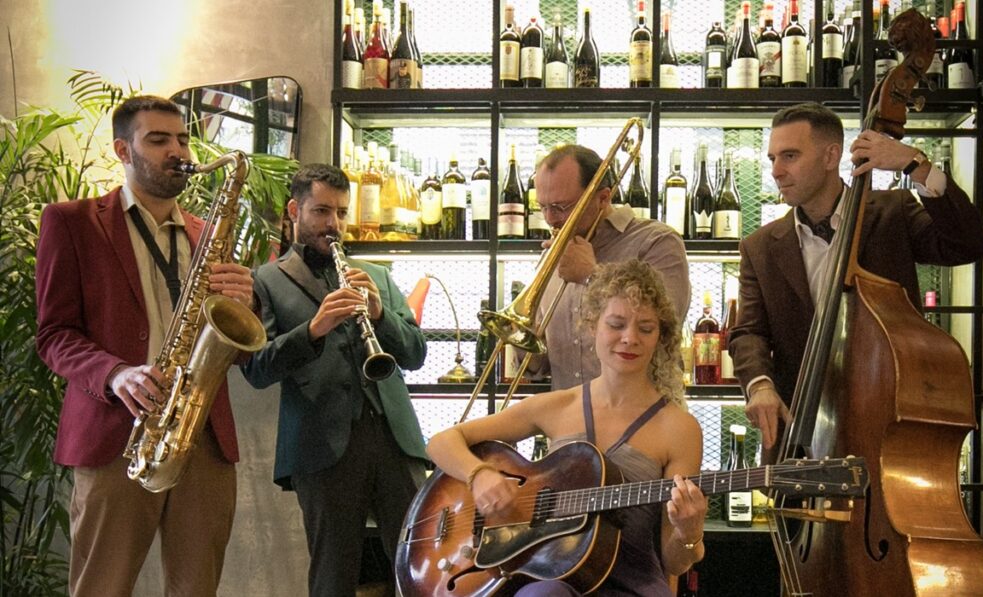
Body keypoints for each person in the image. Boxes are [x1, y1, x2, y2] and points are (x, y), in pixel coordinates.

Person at [35, 95, 255, 596]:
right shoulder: (72, 221)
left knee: (197, 588)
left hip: (201, 434)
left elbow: (241, 349)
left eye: (182, 139)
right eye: (158, 140)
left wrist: (245, 301)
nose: (177, 151)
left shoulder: (207, 233)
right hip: (116, 433)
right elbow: (54, 335)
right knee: (102, 587)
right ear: (123, 150)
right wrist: (117, 374)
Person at [428, 259, 707, 597]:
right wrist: (479, 475)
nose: (630, 338)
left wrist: (688, 533)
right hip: (545, 578)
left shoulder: (680, 428)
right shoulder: (556, 406)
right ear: (592, 326)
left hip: (632, 587)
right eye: (616, 324)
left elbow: (675, 562)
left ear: (660, 336)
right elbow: (442, 442)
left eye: (646, 328)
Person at [730, 102, 983, 456]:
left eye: (790, 156)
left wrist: (917, 166)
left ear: (830, 156)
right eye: (773, 158)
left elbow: (968, 245)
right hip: (799, 433)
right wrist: (760, 385)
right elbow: (748, 332)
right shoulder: (759, 246)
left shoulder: (894, 212)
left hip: (888, 427)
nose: (776, 171)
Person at [240, 163, 429, 597]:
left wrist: (380, 314)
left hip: (394, 438)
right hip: (321, 445)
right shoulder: (264, 281)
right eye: (322, 212)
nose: (335, 225)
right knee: (333, 574)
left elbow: (416, 354)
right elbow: (257, 369)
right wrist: (312, 330)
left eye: (341, 212)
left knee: (420, 565)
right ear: (294, 210)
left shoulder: (378, 276)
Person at [526, 144, 691, 390]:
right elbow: (539, 367)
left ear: (602, 198)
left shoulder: (657, 242)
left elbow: (664, 327)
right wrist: (518, 338)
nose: (550, 219)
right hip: (569, 412)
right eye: (543, 207)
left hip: (642, 412)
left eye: (562, 207)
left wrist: (591, 276)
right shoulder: (551, 257)